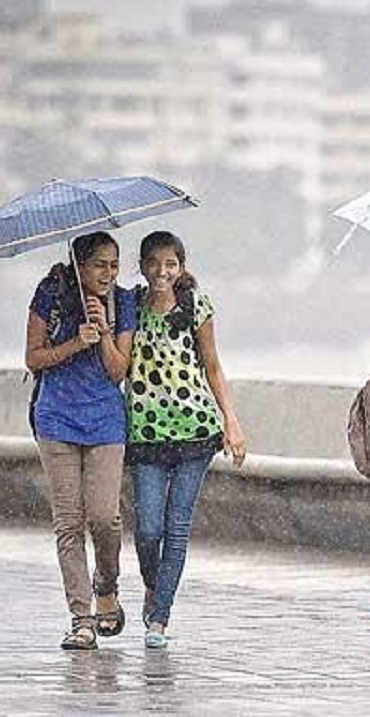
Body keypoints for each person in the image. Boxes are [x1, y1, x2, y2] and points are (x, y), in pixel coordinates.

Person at [126, 231, 247, 648]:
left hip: (195, 429)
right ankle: (153, 585)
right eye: (154, 263)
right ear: (142, 266)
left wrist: (231, 422)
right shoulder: (130, 307)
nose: (162, 271)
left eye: (171, 264)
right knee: (147, 528)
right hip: (145, 434)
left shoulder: (196, 305)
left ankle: (159, 618)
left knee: (177, 528)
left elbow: (213, 367)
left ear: (181, 267)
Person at [25, 231, 136, 651]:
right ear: (80, 265)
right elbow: (33, 357)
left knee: (105, 518)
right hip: (56, 420)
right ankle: (81, 619)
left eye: (114, 265)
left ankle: (106, 585)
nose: (108, 274)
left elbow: (118, 371)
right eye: (99, 265)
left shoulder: (122, 302)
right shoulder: (51, 294)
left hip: (105, 421)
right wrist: (75, 342)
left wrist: (103, 333)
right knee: (69, 523)